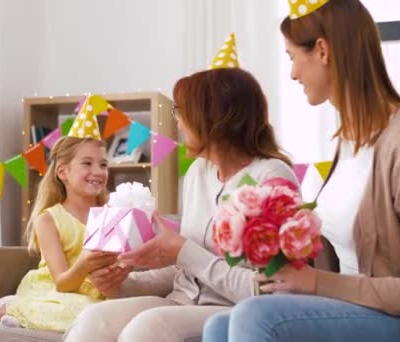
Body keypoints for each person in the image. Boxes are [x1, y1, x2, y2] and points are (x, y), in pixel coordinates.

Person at [202, 0, 400, 341]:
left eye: (292, 56)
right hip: (357, 312)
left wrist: (316, 284)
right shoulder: (347, 142)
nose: (292, 73)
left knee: (255, 317)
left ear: (322, 50)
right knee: (218, 326)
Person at [64, 66, 299, 342]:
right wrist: (123, 283)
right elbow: (184, 270)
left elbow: (272, 289)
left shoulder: (272, 177)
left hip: (234, 310)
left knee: (146, 329)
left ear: (214, 118)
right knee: (93, 320)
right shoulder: (197, 173)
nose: (178, 123)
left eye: (182, 112)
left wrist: (183, 251)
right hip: (181, 301)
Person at [0, 136, 121, 332]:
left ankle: (23, 319)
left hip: (96, 295)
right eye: (87, 163)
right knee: (88, 314)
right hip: (54, 292)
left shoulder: (112, 215)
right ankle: (4, 309)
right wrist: (85, 264)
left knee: (111, 312)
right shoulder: (48, 220)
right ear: (62, 172)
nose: (98, 171)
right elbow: (62, 283)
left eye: (103, 165)